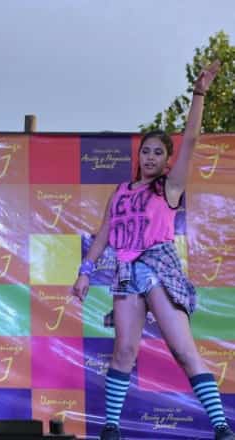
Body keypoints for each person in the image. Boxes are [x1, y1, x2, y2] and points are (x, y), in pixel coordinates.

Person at [71, 61, 233, 440]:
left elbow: (190, 140)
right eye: (145, 151)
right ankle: (111, 428)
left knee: (183, 351)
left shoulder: (169, 188)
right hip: (126, 274)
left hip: (159, 270)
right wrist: (85, 272)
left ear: (166, 160)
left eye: (158, 153)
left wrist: (199, 93)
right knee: (124, 350)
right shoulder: (122, 191)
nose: (149, 158)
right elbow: (104, 234)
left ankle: (221, 427)